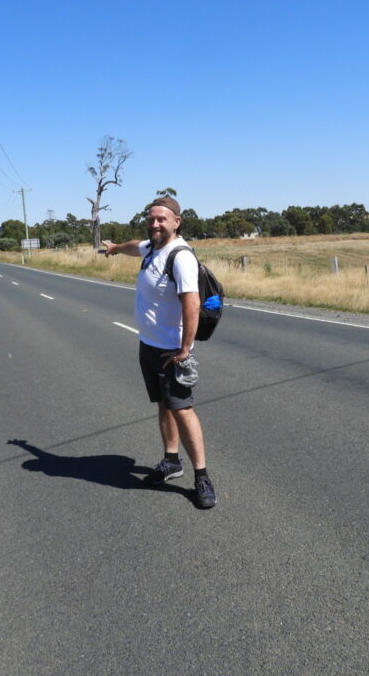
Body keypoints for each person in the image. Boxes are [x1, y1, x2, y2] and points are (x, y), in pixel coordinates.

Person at [101, 196, 217, 509]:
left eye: (161, 219)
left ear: (176, 221)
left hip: (171, 350)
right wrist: (113, 249)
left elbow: (191, 304)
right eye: (151, 218)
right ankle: (171, 461)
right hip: (149, 345)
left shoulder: (180, 256)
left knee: (182, 409)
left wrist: (184, 349)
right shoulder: (152, 247)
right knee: (164, 405)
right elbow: (132, 245)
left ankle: (202, 477)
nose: (155, 224)